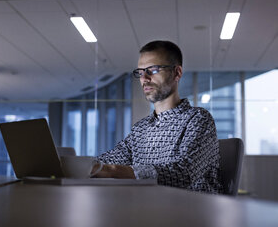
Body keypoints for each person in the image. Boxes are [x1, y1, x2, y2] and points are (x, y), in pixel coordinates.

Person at [93, 40, 223, 194]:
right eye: (140, 72)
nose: (144, 78)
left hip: (194, 211)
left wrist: (113, 170)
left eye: (153, 70)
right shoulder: (141, 128)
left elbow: (184, 174)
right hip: (148, 208)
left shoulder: (198, 119)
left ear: (177, 73)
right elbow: (108, 160)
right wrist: (77, 165)